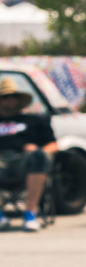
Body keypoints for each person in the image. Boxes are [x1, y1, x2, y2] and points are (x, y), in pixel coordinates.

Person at [0, 76, 58, 231]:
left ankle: (30, 214)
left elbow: (53, 145)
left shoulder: (34, 120)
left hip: (24, 162)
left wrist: (40, 151)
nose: (10, 100)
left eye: (14, 96)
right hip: (1, 163)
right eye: (6, 97)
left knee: (38, 156)